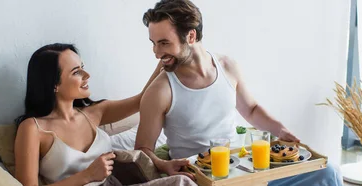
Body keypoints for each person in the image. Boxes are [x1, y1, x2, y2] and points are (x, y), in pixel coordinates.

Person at [134, 1, 343, 185]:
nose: (156, 52)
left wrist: (280, 131)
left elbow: (251, 110)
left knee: (328, 172)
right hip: (204, 177)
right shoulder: (160, 91)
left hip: (245, 169)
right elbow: (143, 148)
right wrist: (163, 165)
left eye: (164, 43)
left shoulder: (227, 66)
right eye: (153, 43)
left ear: (190, 36)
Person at [13, 43, 195, 186]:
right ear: (54, 84)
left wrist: (165, 59)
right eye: (76, 72)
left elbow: (142, 100)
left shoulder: (94, 113)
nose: (87, 75)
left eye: (82, 67)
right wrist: (87, 176)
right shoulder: (33, 128)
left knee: (182, 182)